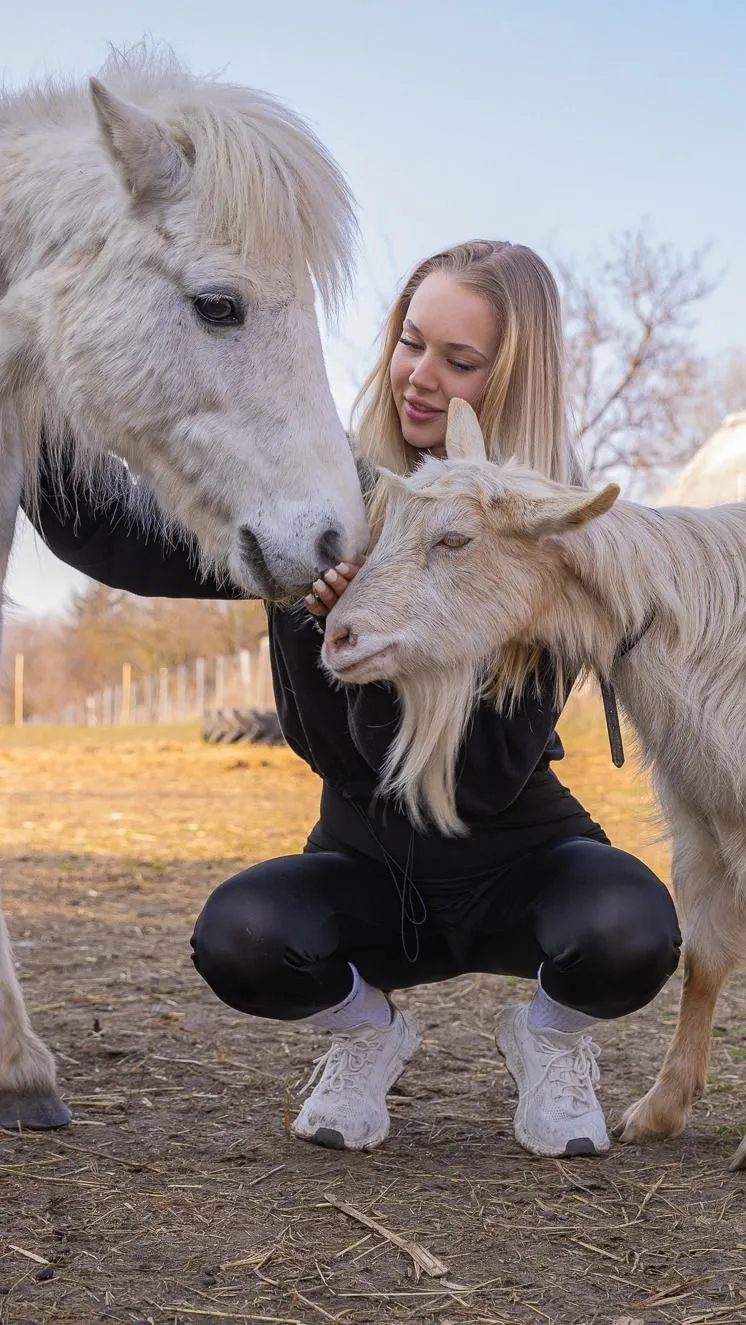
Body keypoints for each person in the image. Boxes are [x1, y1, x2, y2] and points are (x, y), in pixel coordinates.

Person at [24, 240, 681, 1159]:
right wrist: (31, 394)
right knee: (241, 935)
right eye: (412, 341)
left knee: (632, 928)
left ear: (509, 380)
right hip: (363, 862)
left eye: (460, 361)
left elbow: (479, 783)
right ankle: (367, 1031)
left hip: (519, 860)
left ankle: (550, 1039)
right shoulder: (314, 498)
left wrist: (366, 644)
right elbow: (115, 537)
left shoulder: (543, 540)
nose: (420, 376)